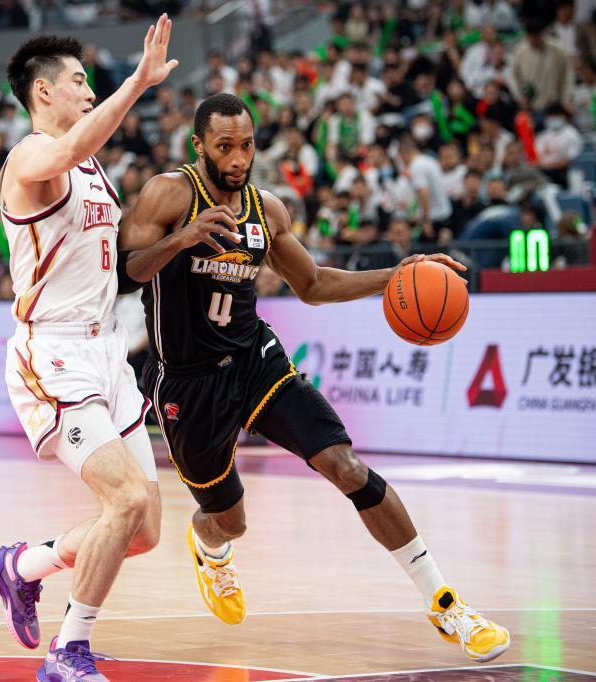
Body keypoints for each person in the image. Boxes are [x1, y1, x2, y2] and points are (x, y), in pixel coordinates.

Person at [117, 94, 510, 663]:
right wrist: (181, 238)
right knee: (230, 520)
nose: (238, 158)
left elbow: (314, 285)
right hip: (186, 381)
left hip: (255, 361)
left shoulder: (266, 210)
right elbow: (125, 275)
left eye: (246, 145)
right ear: (198, 145)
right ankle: (210, 545)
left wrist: (397, 275)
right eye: (224, 146)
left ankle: (447, 606)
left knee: (345, 466)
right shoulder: (168, 194)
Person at [0, 20, 178, 682]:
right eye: (78, 80)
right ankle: (67, 652)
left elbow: (117, 263)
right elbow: (71, 148)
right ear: (43, 91)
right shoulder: (29, 159)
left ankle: (22, 565)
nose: (89, 90)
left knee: (143, 529)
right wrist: (138, 82)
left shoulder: (93, 168)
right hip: (54, 354)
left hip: (108, 354)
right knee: (122, 500)